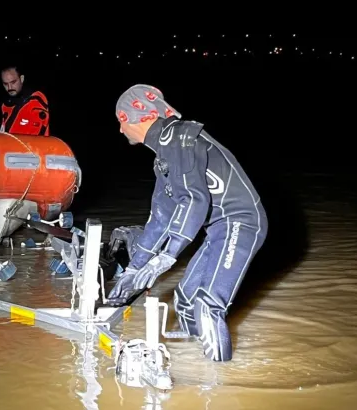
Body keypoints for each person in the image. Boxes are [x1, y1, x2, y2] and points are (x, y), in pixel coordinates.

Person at [106, 84, 268, 362]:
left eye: (121, 120)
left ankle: (218, 387)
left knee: (207, 305)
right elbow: (160, 219)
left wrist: (166, 258)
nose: (121, 130)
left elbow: (194, 200)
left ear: (141, 117)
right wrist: (132, 271)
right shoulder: (164, 156)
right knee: (185, 301)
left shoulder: (180, 137)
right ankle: (195, 365)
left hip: (241, 222)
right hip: (219, 229)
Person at [0, 66, 50, 136]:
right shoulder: (5, 105)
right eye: (5, 84)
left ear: (22, 79)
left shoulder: (35, 100)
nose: (9, 87)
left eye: (13, 82)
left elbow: (34, 138)